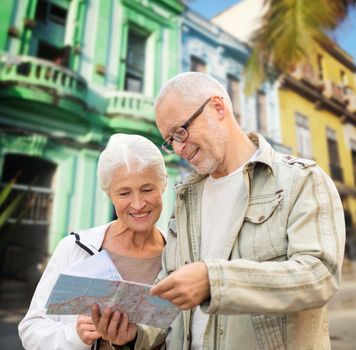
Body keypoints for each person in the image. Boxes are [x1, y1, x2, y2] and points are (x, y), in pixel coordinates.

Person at [149, 72, 346, 350]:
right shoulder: (184, 201)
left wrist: (215, 281)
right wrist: (132, 335)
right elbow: (168, 299)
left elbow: (319, 275)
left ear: (218, 107)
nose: (179, 149)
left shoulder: (300, 180)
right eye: (170, 141)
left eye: (181, 131)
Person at [19, 134, 168, 350]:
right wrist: (76, 336)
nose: (138, 204)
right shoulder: (75, 249)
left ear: (162, 184)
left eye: (147, 189)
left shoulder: (177, 255)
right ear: (109, 195)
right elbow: (31, 329)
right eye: (124, 193)